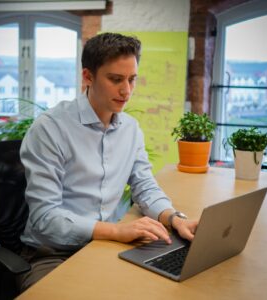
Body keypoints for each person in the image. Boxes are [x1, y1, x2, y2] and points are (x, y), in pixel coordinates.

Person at [18, 32, 198, 292]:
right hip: (53, 252)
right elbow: (46, 219)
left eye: (132, 79)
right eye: (115, 80)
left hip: (109, 244)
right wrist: (115, 232)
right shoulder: (50, 129)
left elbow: (144, 186)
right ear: (87, 76)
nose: (127, 91)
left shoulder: (131, 129)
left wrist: (174, 218)